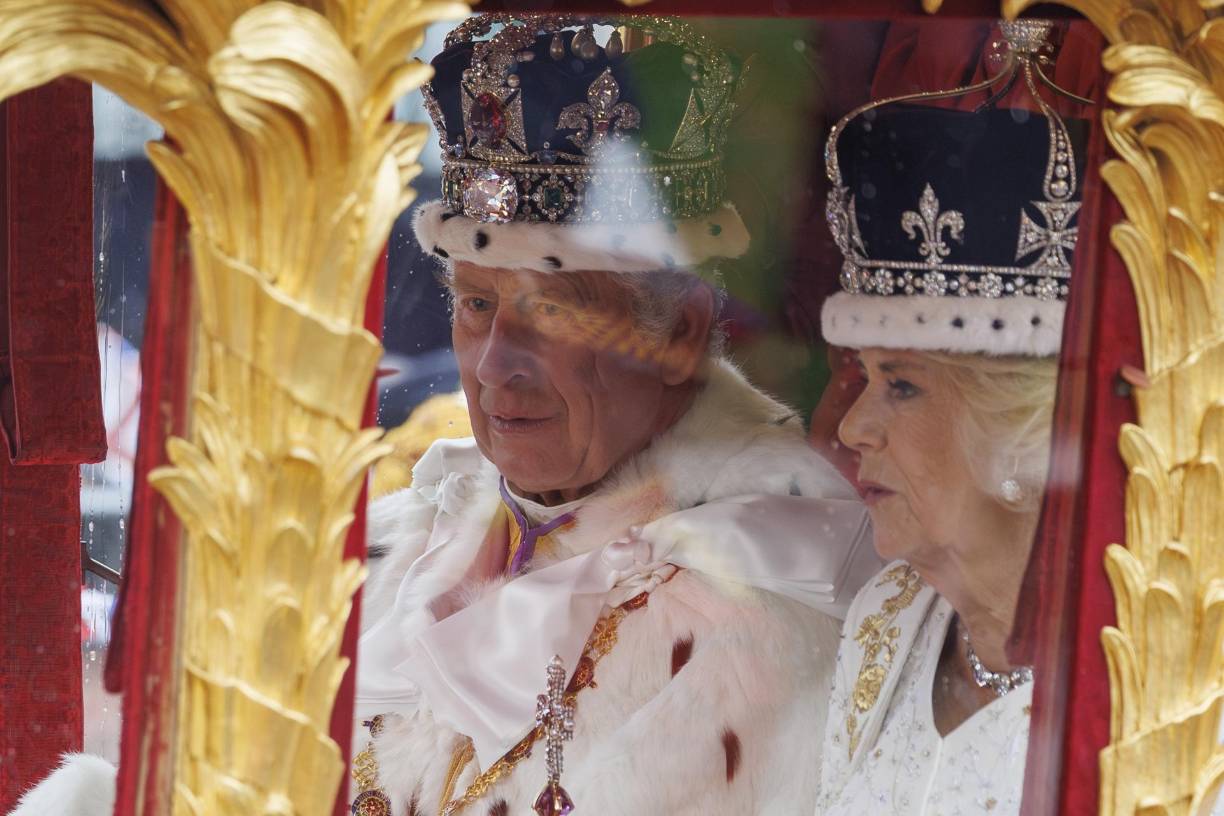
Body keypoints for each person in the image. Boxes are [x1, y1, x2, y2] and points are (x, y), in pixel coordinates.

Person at [349, 14, 877, 816]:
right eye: (476, 304)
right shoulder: (410, 539)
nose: (493, 365)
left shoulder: (766, 608)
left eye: (552, 313)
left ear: (683, 329)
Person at [815, 20, 1085, 815]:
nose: (852, 428)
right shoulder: (887, 620)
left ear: (1024, 431)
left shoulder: (1152, 671)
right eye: (866, 377)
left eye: (901, 385)